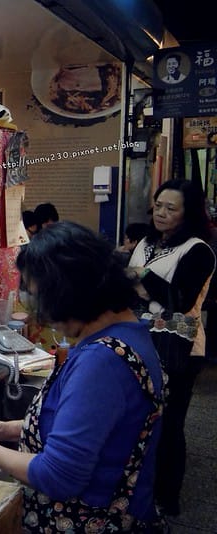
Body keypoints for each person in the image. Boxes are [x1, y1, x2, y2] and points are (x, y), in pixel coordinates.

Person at [0, 221, 165, 531]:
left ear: (70, 295)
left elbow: (60, 475)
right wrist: (3, 429)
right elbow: (84, 428)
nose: (40, 316)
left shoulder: (103, 362)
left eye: (41, 301)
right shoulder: (130, 332)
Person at [127, 178, 215, 517]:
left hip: (178, 346)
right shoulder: (149, 241)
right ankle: (139, 484)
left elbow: (179, 300)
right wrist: (144, 280)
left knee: (169, 422)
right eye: (158, 206)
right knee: (139, 417)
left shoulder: (198, 250)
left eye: (171, 209)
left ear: (188, 213)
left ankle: (168, 497)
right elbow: (135, 284)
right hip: (139, 339)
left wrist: (142, 276)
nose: (161, 213)